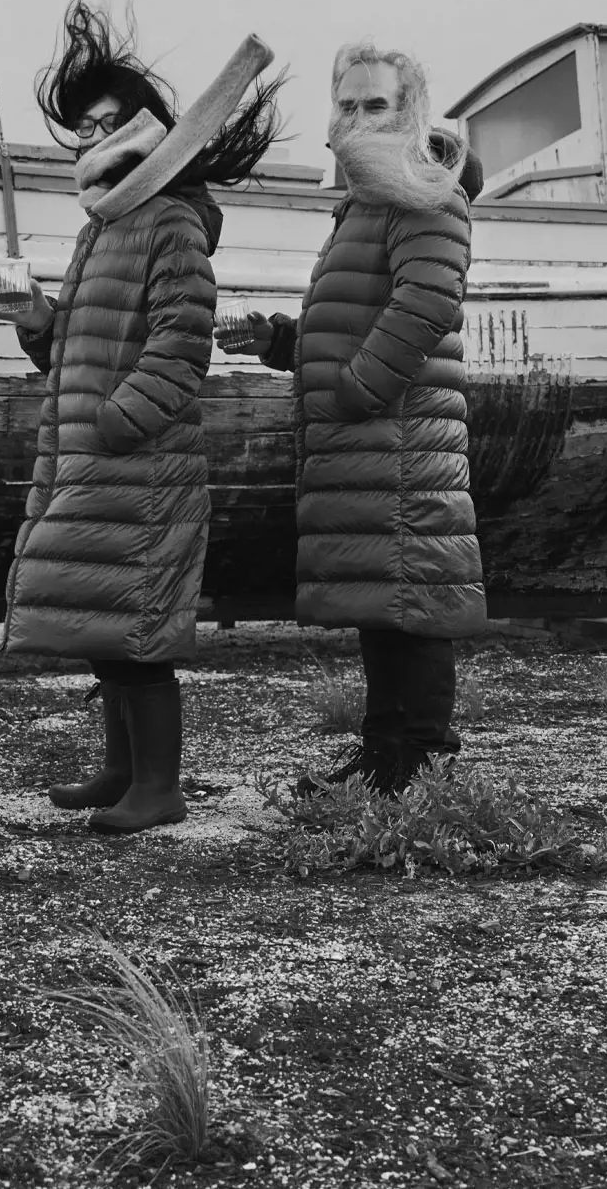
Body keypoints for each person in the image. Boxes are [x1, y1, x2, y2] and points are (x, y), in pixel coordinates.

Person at [0, 0, 282, 834]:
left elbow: (180, 351)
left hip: (139, 464)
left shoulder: (172, 224)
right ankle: (121, 770)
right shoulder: (99, 230)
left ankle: (159, 787)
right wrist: (38, 322)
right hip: (90, 458)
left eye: (107, 122)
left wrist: (114, 424)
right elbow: (70, 354)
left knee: (140, 633)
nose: (92, 139)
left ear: (151, 125)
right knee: (102, 623)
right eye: (82, 129)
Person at [218, 42, 486, 794]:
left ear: (410, 113)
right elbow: (356, 321)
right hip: (370, 437)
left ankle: (421, 763)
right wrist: (280, 340)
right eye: (348, 104)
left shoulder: (423, 192)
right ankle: (384, 758)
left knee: (414, 601)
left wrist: (355, 392)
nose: (360, 117)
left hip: (397, 436)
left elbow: (428, 302)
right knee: (386, 602)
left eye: (378, 104)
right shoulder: (367, 202)